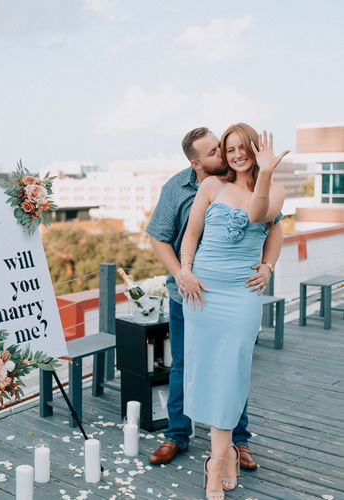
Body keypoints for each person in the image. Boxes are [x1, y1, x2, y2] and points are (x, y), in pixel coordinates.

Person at [146, 127, 283, 471]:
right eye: (215, 153)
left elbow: (272, 223)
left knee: (232, 364)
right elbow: (159, 238)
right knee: (185, 364)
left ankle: (238, 440)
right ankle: (177, 435)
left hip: (236, 289)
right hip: (188, 289)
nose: (224, 157)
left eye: (225, 149)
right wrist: (182, 272)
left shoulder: (245, 183)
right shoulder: (177, 188)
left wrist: (267, 266)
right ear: (195, 163)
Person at [179, 123, 287, 499]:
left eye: (244, 147)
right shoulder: (212, 186)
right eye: (230, 149)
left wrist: (268, 171)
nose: (237, 154)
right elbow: (191, 234)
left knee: (231, 374)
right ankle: (222, 458)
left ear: (256, 149)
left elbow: (260, 217)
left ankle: (214, 464)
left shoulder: (275, 191)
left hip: (241, 296)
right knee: (205, 373)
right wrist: (185, 270)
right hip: (203, 294)